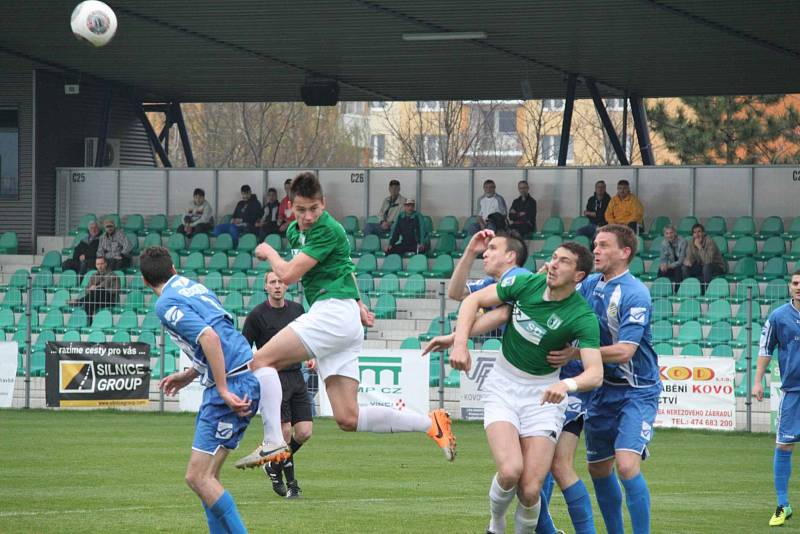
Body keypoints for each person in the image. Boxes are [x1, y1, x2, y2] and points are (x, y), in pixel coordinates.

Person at [234, 172, 456, 470]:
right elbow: (345, 269)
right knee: (347, 417)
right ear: (291, 207)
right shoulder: (294, 233)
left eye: (314, 208)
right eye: (301, 210)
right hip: (342, 317)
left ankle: (273, 440)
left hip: (332, 314)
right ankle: (430, 424)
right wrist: (360, 304)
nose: (308, 216)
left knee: (261, 362)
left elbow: (286, 275)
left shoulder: (329, 229)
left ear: (323, 204)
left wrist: (269, 252)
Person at [425, 241, 603, 534]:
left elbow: (594, 373)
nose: (554, 264)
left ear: (579, 275)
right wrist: (459, 343)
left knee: (531, 490)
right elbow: (472, 301)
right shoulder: (525, 283)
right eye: (554, 258)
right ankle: (495, 525)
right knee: (510, 471)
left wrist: (567, 384)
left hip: (544, 396)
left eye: (565, 262)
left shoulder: (581, 316)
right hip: (503, 387)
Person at [548, 224, 661, 534]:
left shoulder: (635, 293)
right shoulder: (591, 284)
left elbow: (625, 351)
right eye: (595, 244)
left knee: (626, 466)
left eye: (603, 245)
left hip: (637, 390)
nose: (595, 250)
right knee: (598, 468)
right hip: (600, 391)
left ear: (624, 253)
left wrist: (575, 354)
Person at [140, 246, 257, 534]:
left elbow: (210, 337)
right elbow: (220, 333)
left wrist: (222, 387)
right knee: (208, 478)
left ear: (144, 281)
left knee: (197, 477)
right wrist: (190, 373)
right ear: (174, 269)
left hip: (230, 384)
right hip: (243, 375)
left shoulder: (165, 303)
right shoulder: (193, 287)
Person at [242, 271, 311, 500]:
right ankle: (292, 485)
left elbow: (309, 337)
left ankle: (273, 466)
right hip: (273, 378)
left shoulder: (297, 310)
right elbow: (244, 348)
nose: (277, 286)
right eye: (273, 282)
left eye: (281, 282)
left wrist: (313, 355)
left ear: (287, 286)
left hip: (297, 377)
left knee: (303, 433)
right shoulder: (256, 316)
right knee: (284, 432)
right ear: (266, 287)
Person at [754, 270, 800, 527]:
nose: (798, 287)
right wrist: (758, 380)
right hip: (793, 393)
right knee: (783, 445)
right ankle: (783, 505)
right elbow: (765, 349)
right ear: (789, 286)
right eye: (795, 283)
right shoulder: (778, 317)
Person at [682, 223, 727, 291]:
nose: (697, 234)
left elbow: (708, 261)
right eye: (694, 232)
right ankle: (689, 290)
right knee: (685, 268)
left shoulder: (710, 241)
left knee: (706, 267)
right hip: (702, 266)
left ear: (703, 233)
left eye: (699, 231)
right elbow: (689, 257)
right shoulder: (691, 242)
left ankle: (707, 291)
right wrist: (688, 261)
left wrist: (699, 247)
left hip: (717, 266)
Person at [659, 225, 687, 290]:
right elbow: (663, 259)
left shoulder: (683, 241)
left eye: (671, 232)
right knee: (661, 270)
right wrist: (663, 265)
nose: (669, 235)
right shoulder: (663, 243)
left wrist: (668, 266)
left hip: (683, 266)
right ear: (664, 235)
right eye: (667, 233)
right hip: (672, 265)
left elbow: (680, 261)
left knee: (678, 269)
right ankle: (662, 291)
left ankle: (677, 292)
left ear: (675, 233)